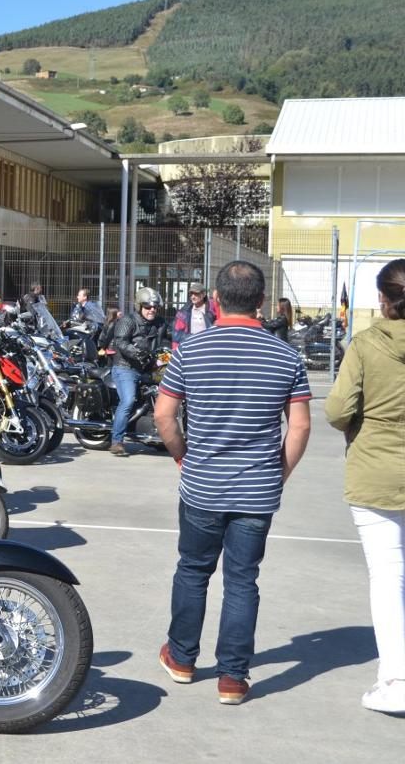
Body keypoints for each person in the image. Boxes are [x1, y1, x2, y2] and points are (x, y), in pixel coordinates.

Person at [154, 260, 312, 706]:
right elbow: (298, 427)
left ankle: (182, 658)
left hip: (202, 484)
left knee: (193, 569)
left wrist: (183, 456)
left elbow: (164, 415)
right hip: (256, 491)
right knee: (243, 580)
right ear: (261, 302)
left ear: (217, 300)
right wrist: (276, 474)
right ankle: (233, 678)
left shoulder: (190, 350)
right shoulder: (287, 356)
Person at [324, 259, 405, 714]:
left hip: (375, 468)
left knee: (388, 575)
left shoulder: (367, 344)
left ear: (383, 300)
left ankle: (395, 678)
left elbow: (337, 410)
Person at [108, 287, 164, 456]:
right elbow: (120, 342)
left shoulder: (158, 323)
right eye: (147, 306)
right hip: (126, 367)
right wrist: (136, 351)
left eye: (154, 307)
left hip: (148, 368)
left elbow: (173, 335)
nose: (152, 310)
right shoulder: (128, 321)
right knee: (128, 400)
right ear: (139, 306)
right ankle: (117, 441)